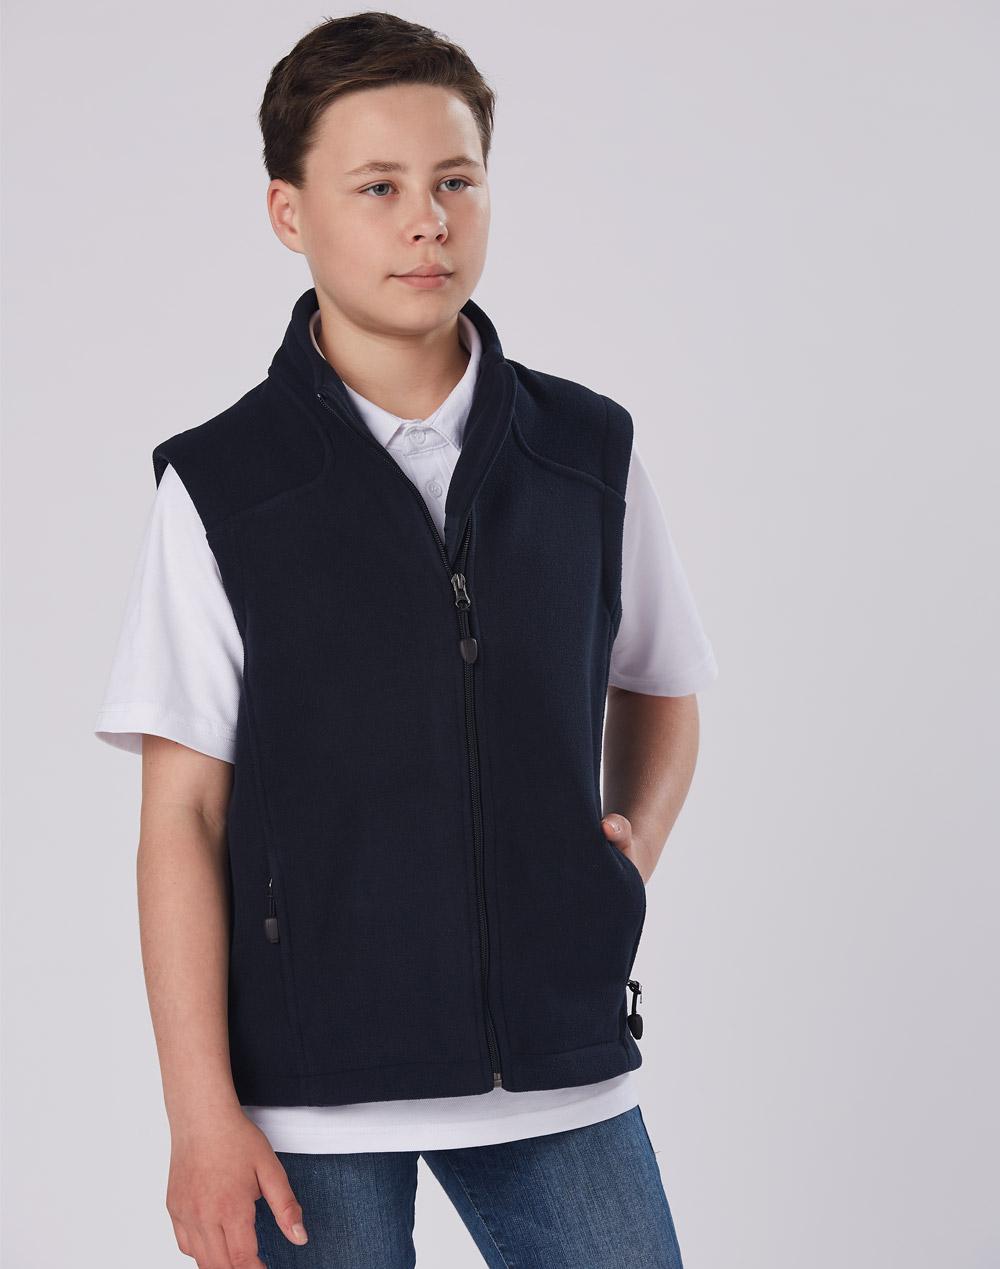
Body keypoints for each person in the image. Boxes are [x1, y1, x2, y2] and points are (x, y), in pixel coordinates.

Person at [94, 12, 718, 1267]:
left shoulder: (584, 454)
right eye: (377, 187)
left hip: (557, 1070)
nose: (425, 221)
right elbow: (184, 818)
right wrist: (199, 1112)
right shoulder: (225, 485)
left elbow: (662, 685)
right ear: (289, 213)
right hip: (306, 1087)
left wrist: (625, 857)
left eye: (454, 182)